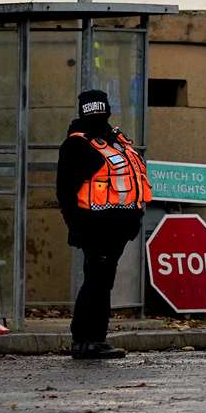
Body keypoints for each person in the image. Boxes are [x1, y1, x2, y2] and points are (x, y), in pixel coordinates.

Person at [56, 89, 151, 360]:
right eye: (95, 112)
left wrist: (133, 220)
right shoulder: (77, 145)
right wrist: (77, 228)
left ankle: (93, 339)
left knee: (101, 281)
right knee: (96, 282)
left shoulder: (115, 141)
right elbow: (66, 192)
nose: (99, 117)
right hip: (94, 228)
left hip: (117, 228)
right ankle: (87, 340)